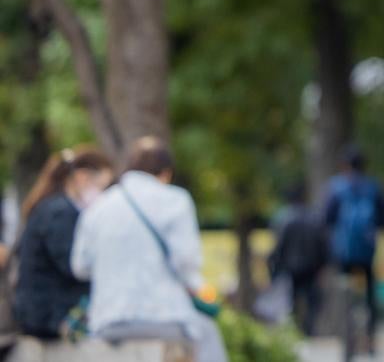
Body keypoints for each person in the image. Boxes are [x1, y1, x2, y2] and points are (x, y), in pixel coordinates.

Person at [69, 137, 227, 362]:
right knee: (209, 333)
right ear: (165, 173)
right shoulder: (176, 200)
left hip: (108, 321)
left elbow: (80, 267)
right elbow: (187, 262)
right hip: (163, 317)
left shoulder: (98, 207)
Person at [11, 146, 114, 338]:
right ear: (83, 177)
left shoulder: (53, 207)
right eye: (103, 187)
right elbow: (73, 266)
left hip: (43, 312)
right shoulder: (59, 213)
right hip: (49, 316)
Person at [323, 146, 384, 342]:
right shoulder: (373, 187)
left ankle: (344, 329)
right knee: (370, 290)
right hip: (367, 250)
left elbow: (327, 218)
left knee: (343, 286)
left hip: (343, 251)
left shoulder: (336, 187)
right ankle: (370, 333)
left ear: (345, 165)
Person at [267, 182, 328, 335]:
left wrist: (274, 267)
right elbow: (322, 244)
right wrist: (322, 264)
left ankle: (297, 328)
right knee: (311, 300)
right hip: (311, 266)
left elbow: (280, 246)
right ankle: (308, 328)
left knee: (293, 299)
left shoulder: (284, 218)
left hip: (291, 266)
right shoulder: (313, 217)